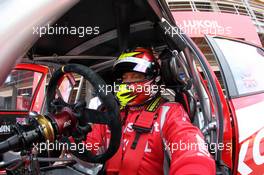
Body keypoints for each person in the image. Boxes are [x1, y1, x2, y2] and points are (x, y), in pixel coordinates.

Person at [86, 47, 216, 175]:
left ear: (155, 78)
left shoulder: (169, 112)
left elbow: (191, 151)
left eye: (135, 76)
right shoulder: (109, 114)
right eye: (125, 78)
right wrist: (74, 136)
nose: (128, 83)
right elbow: (89, 158)